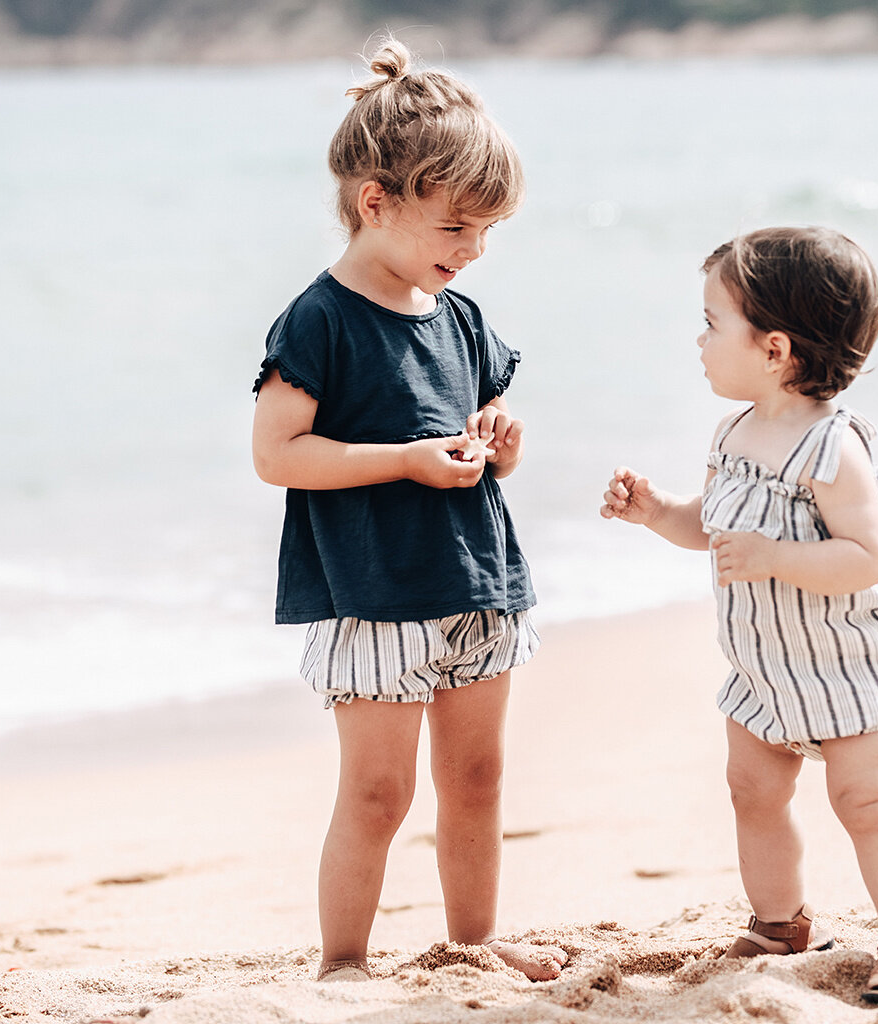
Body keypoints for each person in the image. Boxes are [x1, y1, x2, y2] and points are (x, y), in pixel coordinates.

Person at [251, 38, 566, 983]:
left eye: (487, 234)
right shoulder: (319, 321)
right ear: (375, 202)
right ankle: (344, 962)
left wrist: (499, 441)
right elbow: (278, 455)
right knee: (380, 792)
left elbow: (482, 417)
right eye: (458, 228)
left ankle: (473, 944)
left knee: (476, 781)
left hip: (476, 582)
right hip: (373, 593)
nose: (472, 252)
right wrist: (405, 462)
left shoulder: (458, 316)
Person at [600, 227, 878, 1003]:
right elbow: (715, 530)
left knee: (866, 799)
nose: (700, 338)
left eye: (714, 323)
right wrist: (657, 512)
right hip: (763, 667)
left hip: (845, 665)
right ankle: (779, 920)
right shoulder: (734, 434)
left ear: (775, 349)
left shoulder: (831, 446)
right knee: (752, 789)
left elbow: (866, 555)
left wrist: (775, 556)